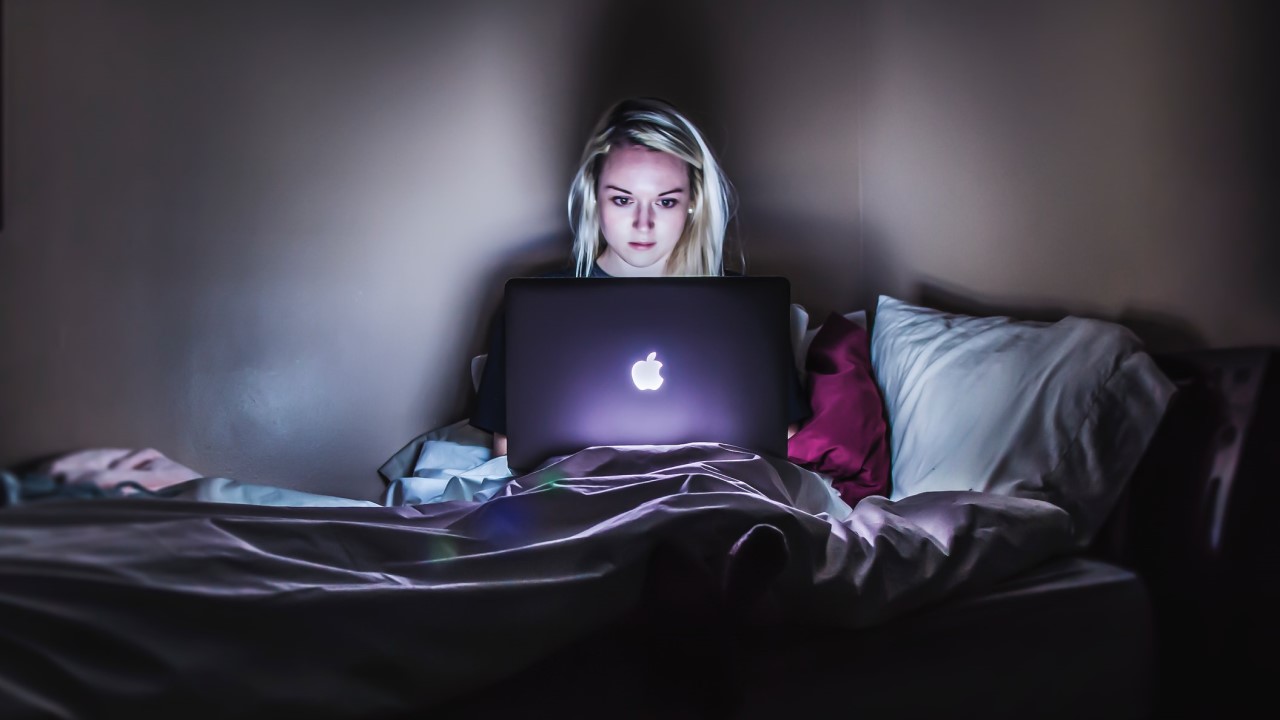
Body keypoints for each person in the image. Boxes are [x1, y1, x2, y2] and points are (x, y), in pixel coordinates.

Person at [469, 97, 810, 457]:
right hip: (582, 493)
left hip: (706, 487)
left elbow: (781, 433)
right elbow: (509, 447)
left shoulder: (744, 306)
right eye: (622, 200)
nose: (643, 224)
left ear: (692, 202)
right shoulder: (535, 308)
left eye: (665, 202)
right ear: (594, 197)